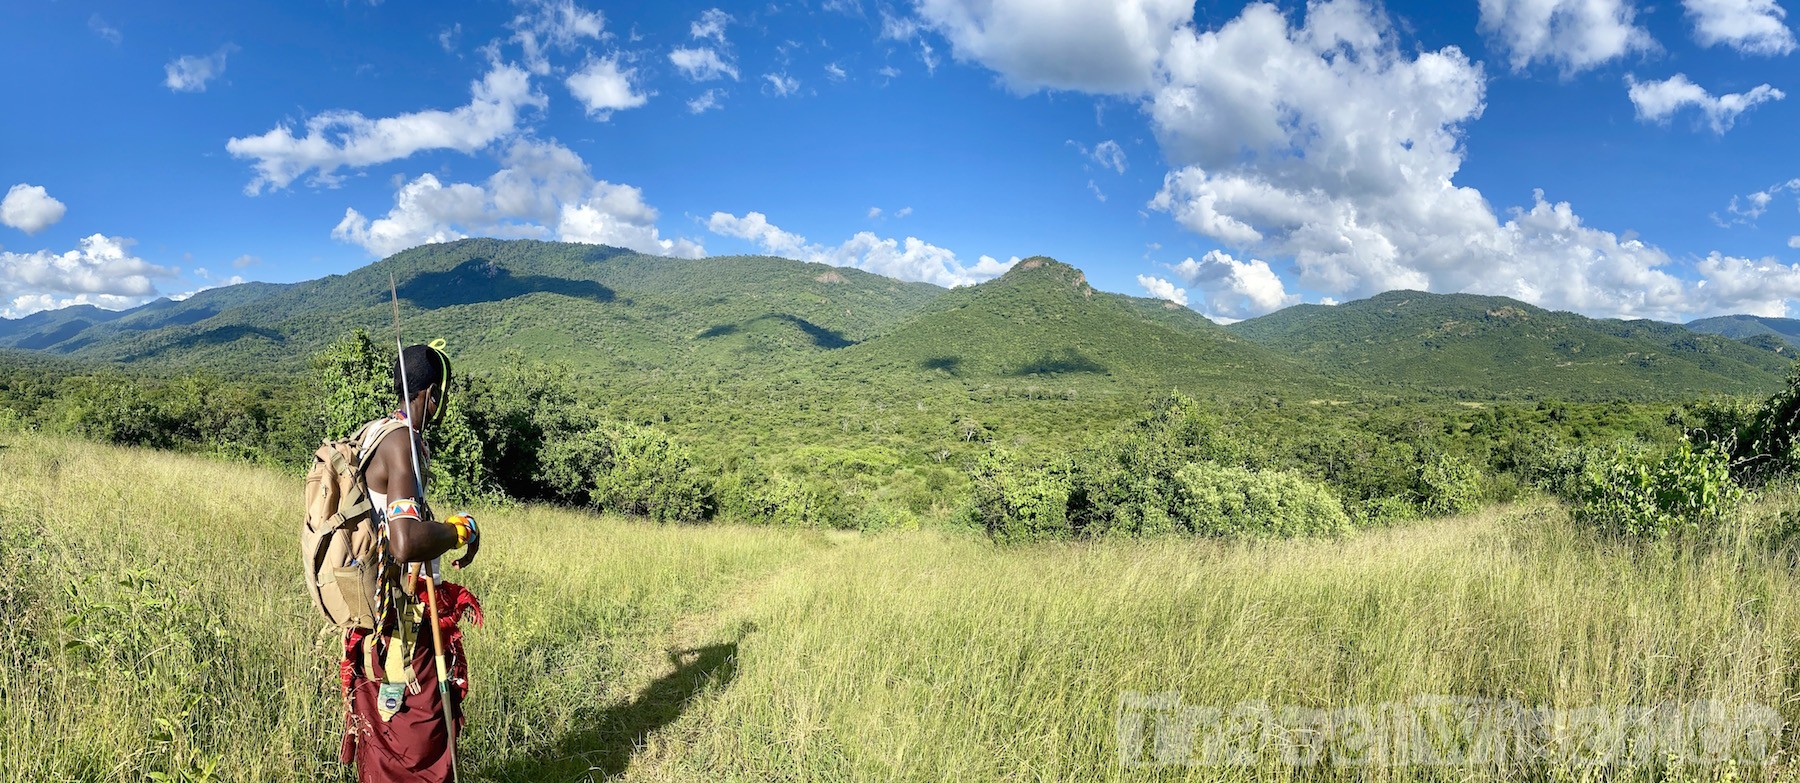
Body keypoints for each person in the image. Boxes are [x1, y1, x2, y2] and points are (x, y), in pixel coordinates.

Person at [342, 344, 482, 782]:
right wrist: (461, 531)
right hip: (398, 619)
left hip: (371, 617)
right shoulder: (403, 441)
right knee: (416, 740)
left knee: (385, 738)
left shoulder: (374, 433)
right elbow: (404, 542)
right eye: (439, 397)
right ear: (431, 395)